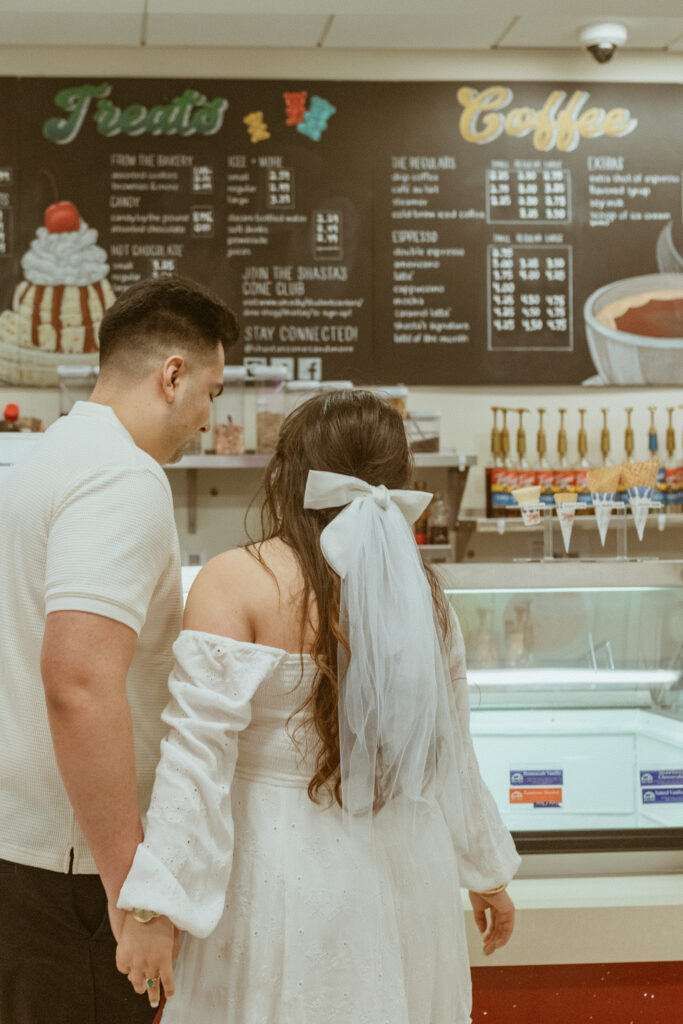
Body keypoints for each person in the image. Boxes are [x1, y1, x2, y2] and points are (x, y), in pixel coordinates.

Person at [116, 389, 520, 1024]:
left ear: (288, 473)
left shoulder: (236, 579)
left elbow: (194, 761)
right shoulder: (427, 599)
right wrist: (487, 873)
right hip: (404, 871)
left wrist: (150, 909)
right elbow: (450, 753)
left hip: (277, 872)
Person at [0, 275, 238, 1024]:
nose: (207, 417)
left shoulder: (44, 459)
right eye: (212, 391)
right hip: (74, 875)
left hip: (25, 852)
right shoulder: (122, 478)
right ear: (172, 375)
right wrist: (132, 893)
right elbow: (77, 681)